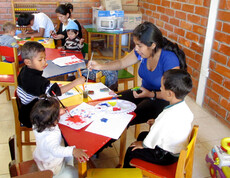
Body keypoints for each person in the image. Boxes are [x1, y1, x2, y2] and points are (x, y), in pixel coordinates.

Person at [89, 21, 187, 126]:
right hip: (143, 91)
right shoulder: (141, 52)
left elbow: (172, 94)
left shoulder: (169, 59)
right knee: (111, 103)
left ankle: (108, 137)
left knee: (125, 117)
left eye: (139, 45)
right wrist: (99, 66)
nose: (136, 48)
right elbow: (122, 63)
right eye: (136, 44)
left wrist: (150, 94)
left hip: (162, 99)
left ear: (153, 45)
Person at [123, 69, 193, 168]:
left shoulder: (167, 115)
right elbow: (170, 126)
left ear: (169, 94)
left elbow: (156, 132)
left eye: (162, 87)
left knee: (131, 150)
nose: (160, 88)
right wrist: (157, 122)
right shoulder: (184, 108)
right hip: (176, 149)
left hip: (166, 155)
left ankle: (127, 173)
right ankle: (137, 169)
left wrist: (143, 145)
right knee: (142, 135)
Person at [17, 41, 85, 128]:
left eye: (45, 58)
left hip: (26, 110)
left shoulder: (25, 70)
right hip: (33, 116)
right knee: (66, 115)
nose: (44, 61)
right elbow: (56, 92)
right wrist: (76, 82)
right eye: (40, 60)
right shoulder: (35, 80)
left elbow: (39, 87)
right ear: (28, 62)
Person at [30, 95, 89, 177]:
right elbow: (56, 150)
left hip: (42, 156)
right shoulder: (50, 136)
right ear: (54, 120)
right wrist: (73, 151)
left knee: (68, 155)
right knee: (76, 173)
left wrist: (56, 113)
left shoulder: (37, 123)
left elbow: (46, 113)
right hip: (52, 167)